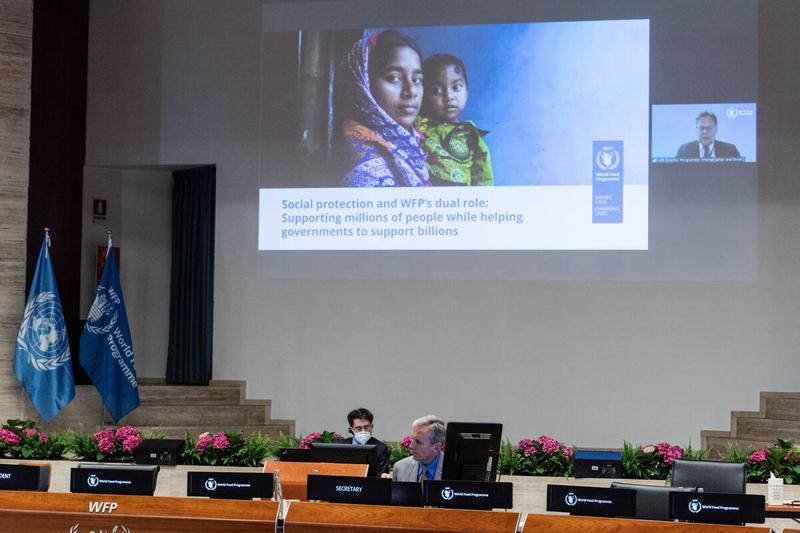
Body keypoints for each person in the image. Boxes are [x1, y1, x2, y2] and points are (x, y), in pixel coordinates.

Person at [340, 30, 430, 187]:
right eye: (393, 78)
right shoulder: (366, 169)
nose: (411, 91)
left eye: (417, 79)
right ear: (364, 84)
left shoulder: (409, 141)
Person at [416, 54, 494, 186]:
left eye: (456, 87)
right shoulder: (419, 125)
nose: (449, 96)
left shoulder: (471, 135)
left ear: (467, 90)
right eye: (436, 90)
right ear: (424, 94)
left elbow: (484, 178)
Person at [333, 407, 390, 476]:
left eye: (366, 427)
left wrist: (384, 476)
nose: (363, 431)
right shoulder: (339, 446)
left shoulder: (381, 448)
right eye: (358, 428)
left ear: (372, 427)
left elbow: (382, 474)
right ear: (351, 430)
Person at [391, 415, 446, 482]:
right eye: (412, 439)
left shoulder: (456, 471)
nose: (411, 446)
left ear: (436, 447)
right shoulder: (400, 468)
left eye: (418, 442)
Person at [675, 111, 741, 160]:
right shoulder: (684, 151)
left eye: (709, 128)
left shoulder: (730, 150)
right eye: (701, 128)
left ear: (716, 130)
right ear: (696, 130)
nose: (705, 132)